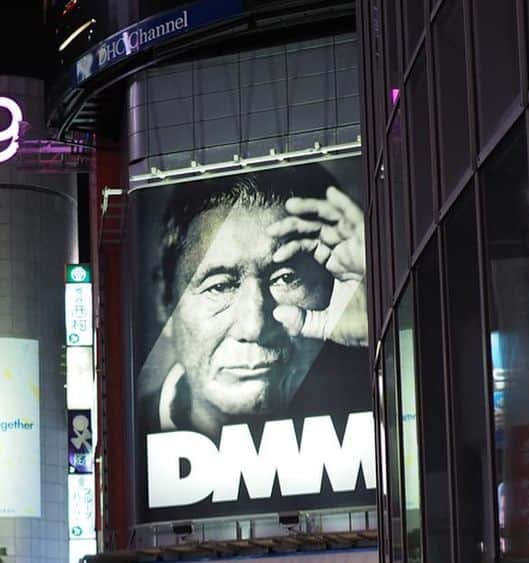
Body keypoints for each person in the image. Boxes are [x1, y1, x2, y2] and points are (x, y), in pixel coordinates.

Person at [137, 164, 370, 441]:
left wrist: (381, 322)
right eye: (220, 286)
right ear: (165, 301)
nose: (254, 327)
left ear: (335, 285)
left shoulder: (384, 402)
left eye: (286, 278)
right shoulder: (130, 438)